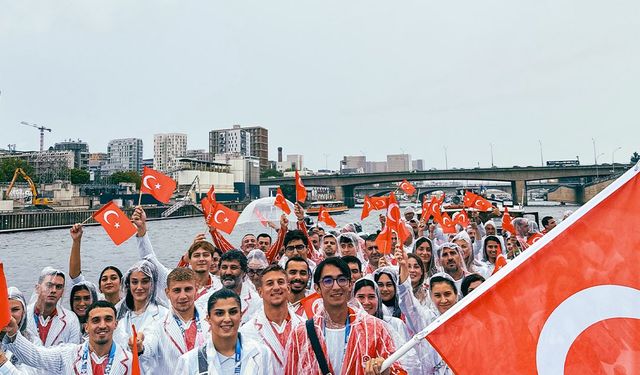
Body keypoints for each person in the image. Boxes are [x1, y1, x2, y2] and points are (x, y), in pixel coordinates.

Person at [284, 257, 406, 375]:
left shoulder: (374, 328)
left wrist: (386, 371)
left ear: (350, 284)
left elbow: (400, 370)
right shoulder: (301, 334)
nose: (336, 287)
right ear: (317, 288)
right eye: (328, 281)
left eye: (341, 279)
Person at [2, 301, 133, 375]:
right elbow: (36, 356)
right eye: (96, 320)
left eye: (108, 319)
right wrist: (13, 332)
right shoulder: (68, 355)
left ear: (115, 324)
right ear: (86, 327)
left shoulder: (130, 361)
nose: (102, 325)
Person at [174, 289, 274, 374]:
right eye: (219, 313)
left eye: (233, 312)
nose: (227, 319)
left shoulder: (261, 353)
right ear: (208, 318)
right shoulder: (189, 361)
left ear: (241, 316)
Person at [132, 206, 220, 304]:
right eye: (196, 255)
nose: (201, 259)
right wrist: (142, 228)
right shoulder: (172, 280)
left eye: (205, 255)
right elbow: (149, 260)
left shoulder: (220, 287)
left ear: (212, 259)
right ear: (188, 260)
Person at [135, 267, 210, 375]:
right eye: (177, 290)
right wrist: (140, 347)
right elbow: (148, 348)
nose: (183, 296)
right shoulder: (156, 327)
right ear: (167, 293)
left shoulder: (210, 321)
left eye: (188, 289)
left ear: (196, 289)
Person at [240, 265, 304, 373]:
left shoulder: (305, 326)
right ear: (260, 292)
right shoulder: (246, 332)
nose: (276, 287)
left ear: (288, 288)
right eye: (270, 283)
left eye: (280, 282)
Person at [113, 259, 169, 366]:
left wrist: (141, 348)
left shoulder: (164, 314)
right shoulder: (120, 315)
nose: (139, 287)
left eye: (144, 281)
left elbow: (153, 346)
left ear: (152, 284)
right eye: (134, 282)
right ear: (128, 285)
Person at [196, 250, 262, 325]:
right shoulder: (203, 302)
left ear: (244, 273)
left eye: (233, 268)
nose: (228, 272)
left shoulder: (257, 303)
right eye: (224, 267)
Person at [68, 223, 123, 306]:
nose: (108, 282)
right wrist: (76, 241)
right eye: (104, 279)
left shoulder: (130, 303)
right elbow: (75, 277)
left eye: (113, 278)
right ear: (100, 288)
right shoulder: (95, 300)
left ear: (121, 284)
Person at [25, 267, 81, 347]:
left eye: (58, 287)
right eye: (49, 285)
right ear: (37, 288)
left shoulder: (71, 319)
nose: (54, 290)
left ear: (62, 292)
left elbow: (73, 354)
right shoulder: (23, 315)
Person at [0, 287, 37, 374]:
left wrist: (2, 361)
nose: (9, 315)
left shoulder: (33, 342)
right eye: (4, 310)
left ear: (23, 312)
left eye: (15, 309)